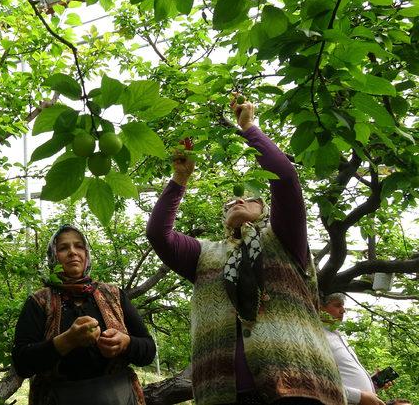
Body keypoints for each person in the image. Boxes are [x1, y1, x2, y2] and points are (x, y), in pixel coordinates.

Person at [146, 96, 346, 404]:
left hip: (298, 388)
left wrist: (249, 128)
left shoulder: (282, 240)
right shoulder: (205, 254)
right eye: (229, 204)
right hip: (225, 394)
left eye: (250, 200)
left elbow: (285, 178)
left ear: (265, 213)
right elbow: (158, 234)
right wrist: (180, 179)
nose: (238, 202)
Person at [12, 224, 156, 405]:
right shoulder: (39, 301)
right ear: (53, 256)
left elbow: (149, 350)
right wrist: (67, 341)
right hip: (58, 398)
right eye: (63, 248)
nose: (72, 252)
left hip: (118, 397)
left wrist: (126, 343)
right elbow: (21, 363)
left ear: (86, 253)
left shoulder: (113, 295)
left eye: (79, 246)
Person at [321, 293, 389, 405]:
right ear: (320, 307)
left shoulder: (338, 335)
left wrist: (373, 384)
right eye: (337, 305)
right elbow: (310, 382)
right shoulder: (316, 336)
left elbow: (345, 376)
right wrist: (359, 397)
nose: (343, 310)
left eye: (343, 306)